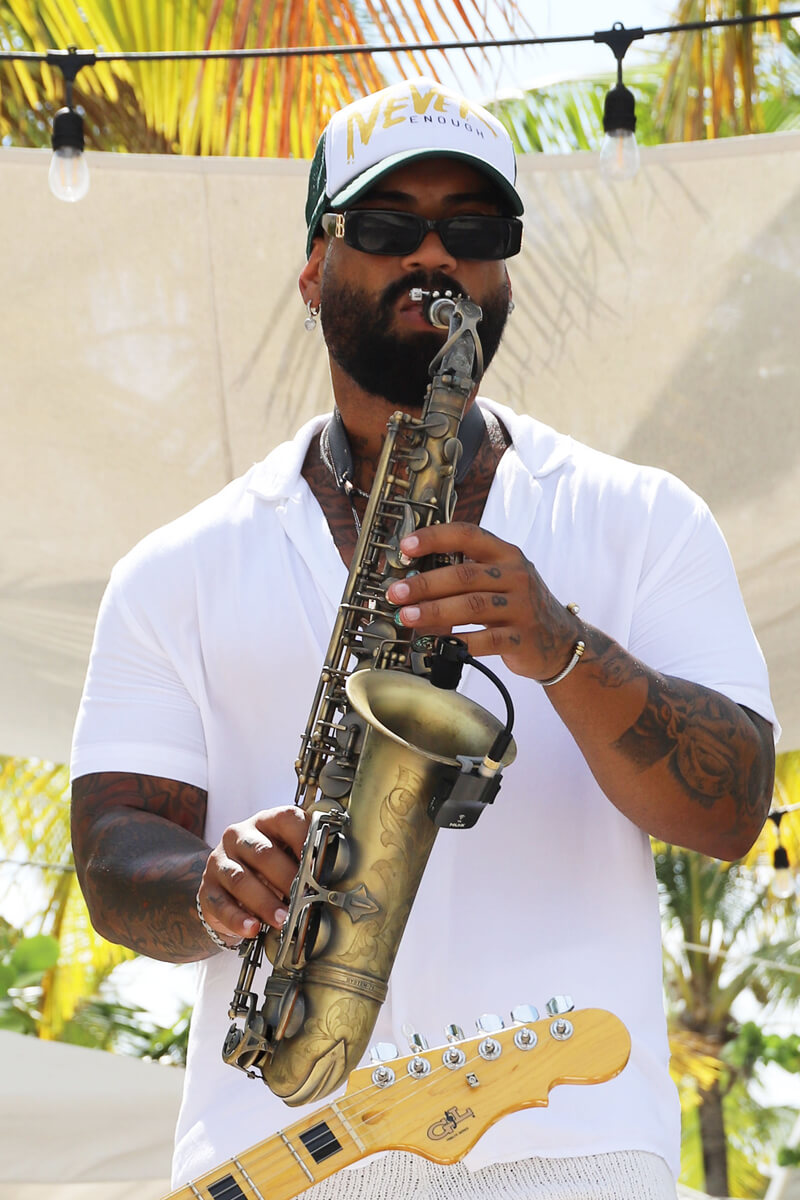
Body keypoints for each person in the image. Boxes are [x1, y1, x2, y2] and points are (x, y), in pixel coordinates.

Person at [70, 77, 777, 1200]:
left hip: (572, 1146)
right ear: (314, 266)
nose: (433, 255)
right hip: (278, 1154)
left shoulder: (644, 518)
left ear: (502, 274)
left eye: (473, 230)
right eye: (386, 226)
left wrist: (560, 645)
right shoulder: (175, 568)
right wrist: (211, 885)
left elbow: (732, 809)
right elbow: (113, 853)